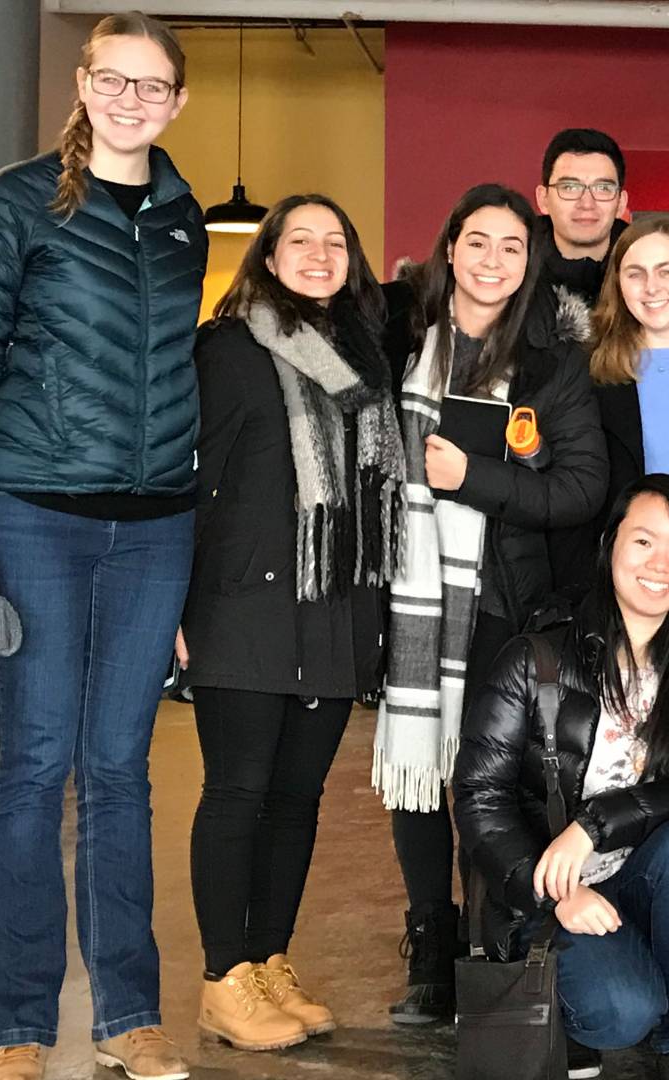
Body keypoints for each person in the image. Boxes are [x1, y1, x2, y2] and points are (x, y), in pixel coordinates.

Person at [0, 13, 201, 1080]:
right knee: (36, 767)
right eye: (113, 80)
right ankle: (21, 1029)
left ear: (178, 100)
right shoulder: (18, 203)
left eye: (153, 85)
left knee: (119, 770)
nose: (132, 100)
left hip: (157, 525)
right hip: (34, 512)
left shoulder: (180, 218)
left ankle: (129, 1013)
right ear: (84, 84)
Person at [373, 184, 608, 1024]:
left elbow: (582, 489)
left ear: (530, 260)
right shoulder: (400, 341)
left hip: (507, 605)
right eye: (479, 242)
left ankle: (491, 948)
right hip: (406, 594)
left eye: (514, 247)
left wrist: (473, 479)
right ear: (449, 248)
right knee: (415, 780)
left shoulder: (552, 363)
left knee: (483, 784)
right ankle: (432, 950)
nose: (495, 261)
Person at [179, 195, 402, 1052]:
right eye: (298, 240)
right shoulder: (229, 351)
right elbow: (192, 485)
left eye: (334, 241)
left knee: (297, 800)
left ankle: (269, 961)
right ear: (268, 257)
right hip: (244, 604)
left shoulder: (366, 362)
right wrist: (178, 607)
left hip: (335, 608)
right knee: (237, 792)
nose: (318, 254)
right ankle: (222, 977)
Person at [453, 474, 669, 1080]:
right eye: (643, 542)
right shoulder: (535, 659)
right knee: (620, 1014)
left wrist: (596, 823)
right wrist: (553, 891)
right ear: (609, 545)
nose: (661, 565)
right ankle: (582, 998)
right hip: (547, 891)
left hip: (642, 880)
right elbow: (479, 798)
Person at [550, 218, 669, 591]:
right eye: (635, 273)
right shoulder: (587, 368)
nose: (652, 287)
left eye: (666, 271)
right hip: (620, 578)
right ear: (618, 285)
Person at [534, 128, 629, 319]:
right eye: (569, 187)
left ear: (621, 203)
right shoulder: (511, 274)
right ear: (543, 199)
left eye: (603, 188)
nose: (587, 203)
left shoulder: (651, 280)